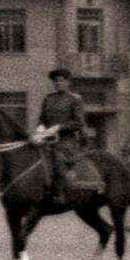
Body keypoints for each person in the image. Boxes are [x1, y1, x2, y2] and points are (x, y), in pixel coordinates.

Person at [36, 69, 98, 206]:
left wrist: (59, 127)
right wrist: (40, 129)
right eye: (56, 81)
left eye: (62, 80)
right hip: (48, 140)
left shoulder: (74, 100)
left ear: (68, 82)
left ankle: (59, 193)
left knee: (57, 158)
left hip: (66, 141)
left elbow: (79, 123)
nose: (58, 83)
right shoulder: (48, 99)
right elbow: (42, 119)